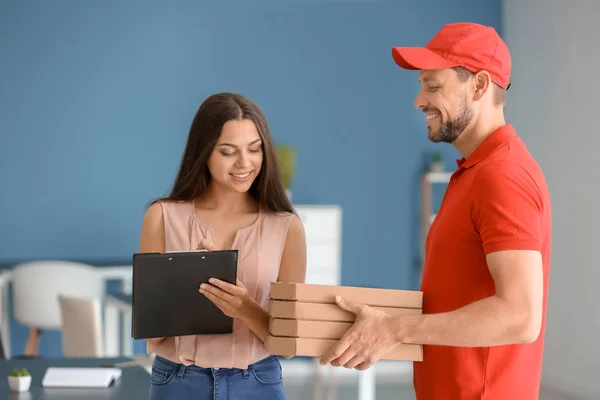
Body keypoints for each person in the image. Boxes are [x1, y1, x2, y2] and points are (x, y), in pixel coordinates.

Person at [319, 22, 551, 400]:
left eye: (433, 85)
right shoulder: (475, 173)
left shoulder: (502, 175)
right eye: (421, 85)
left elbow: (520, 316)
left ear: (478, 85)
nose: (419, 100)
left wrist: (395, 329)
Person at [138, 92, 307, 399]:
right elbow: (151, 332)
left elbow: (288, 343)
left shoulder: (287, 227)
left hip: (257, 381)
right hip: (178, 381)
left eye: (254, 149)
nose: (245, 163)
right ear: (204, 153)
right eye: (228, 152)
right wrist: (187, 284)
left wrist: (245, 309)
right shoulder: (161, 217)